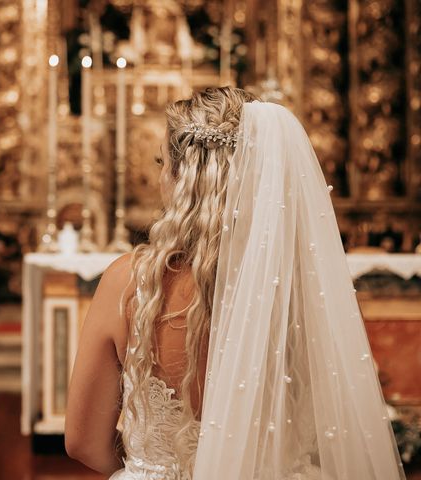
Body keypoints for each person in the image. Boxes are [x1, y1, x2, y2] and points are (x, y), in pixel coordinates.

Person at [65, 87, 405, 479]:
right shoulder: (310, 286)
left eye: (163, 162)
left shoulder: (128, 282)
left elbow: (83, 442)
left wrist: (153, 467)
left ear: (182, 175)